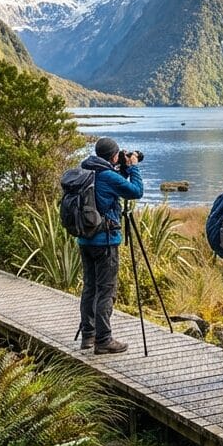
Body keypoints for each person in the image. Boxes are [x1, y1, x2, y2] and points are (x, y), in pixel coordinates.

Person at [76, 136, 144, 354]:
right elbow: (136, 192)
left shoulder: (88, 171)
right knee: (106, 290)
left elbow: (113, 185)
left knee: (90, 288)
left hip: (85, 239)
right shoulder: (107, 176)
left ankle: (88, 336)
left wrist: (121, 169)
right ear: (114, 155)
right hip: (105, 241)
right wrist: (133, 167)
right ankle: (104, 340)